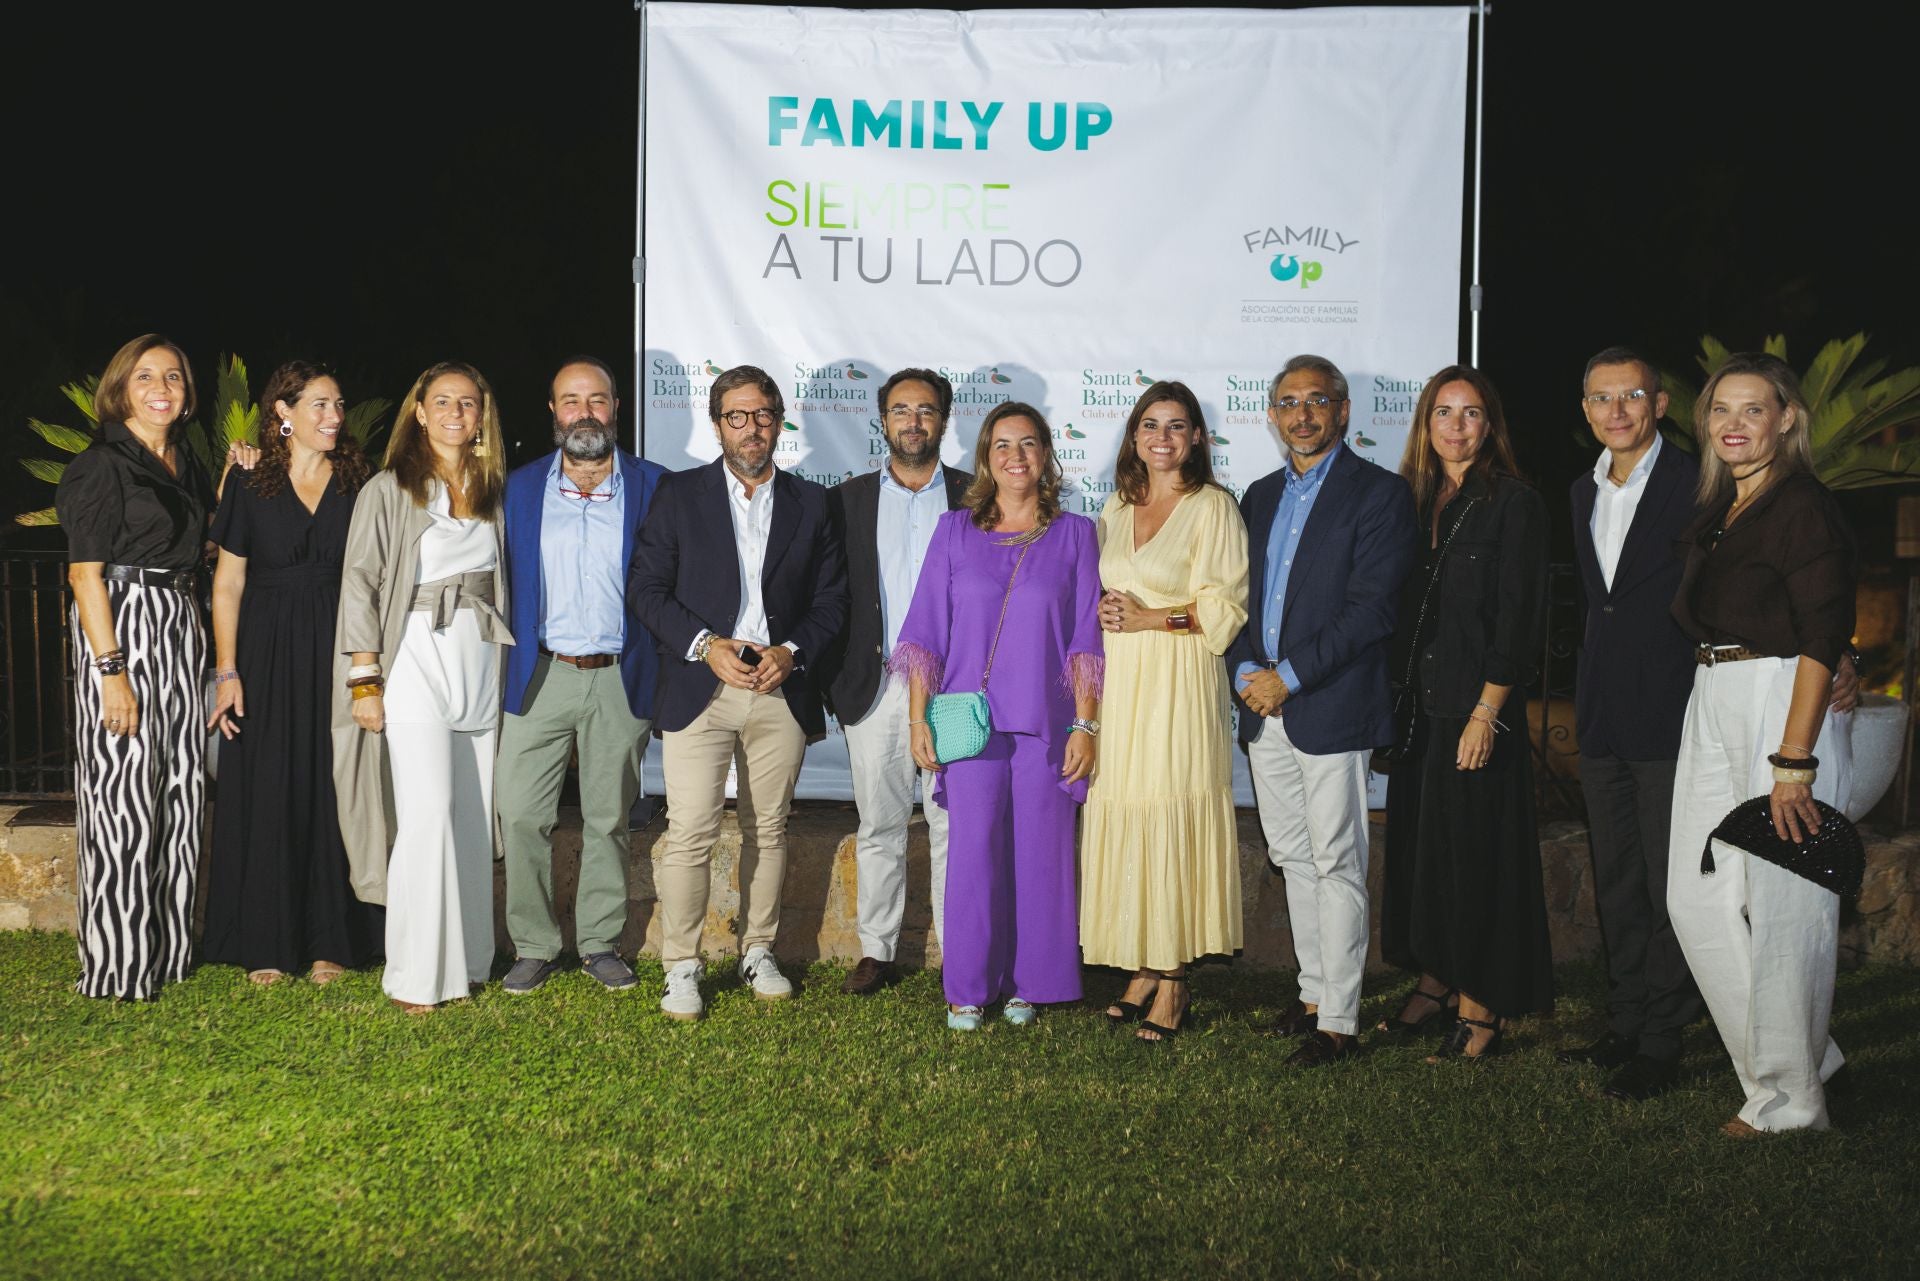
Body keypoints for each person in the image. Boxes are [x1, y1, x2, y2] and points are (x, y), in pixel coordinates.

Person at [1665, 352, 1855, 1136]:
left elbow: (1820, 638)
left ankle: (1790, 1098)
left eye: (1753, 409)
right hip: (1713, 691)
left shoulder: (1804, 505)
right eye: (1720, 410)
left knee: (1785, 904)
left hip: (1780, 698)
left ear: (1786, 419)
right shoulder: (1721, 509)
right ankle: (1798, 1060)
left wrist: (1795, 759)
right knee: (1696, 895)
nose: (1735, 424)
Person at [629, 365, 849, 1021]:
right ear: (717, 423)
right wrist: (707, 645)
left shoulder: (814, 503)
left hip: (778, 687)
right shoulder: (679, 494)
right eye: (737, 416)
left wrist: (791, 652)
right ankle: (682, 965)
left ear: (779, 421)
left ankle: (758, 949)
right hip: (703, 682)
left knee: (769, 829)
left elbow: (831, 600)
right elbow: (646, 589)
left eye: (762, 415)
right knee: (691, 829)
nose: (751, 428)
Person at [1226, 356, 1416, 1065]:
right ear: (1271, 415)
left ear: (1342, 411)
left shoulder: (1380, 494)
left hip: (1329, 704)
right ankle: (1311, 994)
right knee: (1292, 854)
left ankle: (1339, 1019)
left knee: (1336, 859)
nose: (1301, 414)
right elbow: (1237, 595)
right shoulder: (1260, 494)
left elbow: (1371, 611)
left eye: (1316, 401)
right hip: (1261, 706)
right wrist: (1248, 668)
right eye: (1287, 402)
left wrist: (1291, 678)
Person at [895, 401, 1103, 1030]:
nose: (1017, 456)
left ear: (1046, 456)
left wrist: (1085, 726)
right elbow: (926, 631)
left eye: (1029, 444)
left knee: (1042, 859)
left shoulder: (1076, 535)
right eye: (1003, 445)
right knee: (973, 857)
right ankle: (967, 986)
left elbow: (1086, 639)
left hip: (1047, 724)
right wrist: (918, 718)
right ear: (986, 457)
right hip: (968, 724)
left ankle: (1028, 983)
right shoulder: (954, 531)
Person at [1378, 365, 1553, 1059]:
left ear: (1491, 423)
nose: (1456, 425)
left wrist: (1488, 711)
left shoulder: (1515, 504)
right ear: (1425, 424)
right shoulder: (1410, 503)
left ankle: (1482, 1006)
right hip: (1420, 713)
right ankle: (1436, 977)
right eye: (1443, 412)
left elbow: (1518, 622)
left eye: (1471, 412)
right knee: (1425, 856)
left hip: (1477, 713)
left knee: (1477, 858)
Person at [335, 360, 512, 1013]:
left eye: (468, 403)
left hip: (479, 658)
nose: (455, 414)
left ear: (481, 415)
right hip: (413, 658)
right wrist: (364, 679)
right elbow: (361, 581)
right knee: (427, 812)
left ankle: (465, 962)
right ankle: (414, 973)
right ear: (419, 410)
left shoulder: (493, 487)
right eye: (443, 401)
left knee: (470, 816)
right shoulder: (390, 488)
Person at [1080, 381, 1249, 1043]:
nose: (1162, 437)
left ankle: (1174, 982)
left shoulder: (1214, 508)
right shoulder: (1117, 508)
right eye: (1150, 424)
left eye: (1177, 426)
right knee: (1125, 803)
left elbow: (1227, 610)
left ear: (1199, 437)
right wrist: (1099, 610)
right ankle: (1146, 963)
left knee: (1173, 813)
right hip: (1122, 685)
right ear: (1134, 435)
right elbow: (1093, 587)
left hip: (1180, 682)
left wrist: (1152, 615)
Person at [203, 360, 381, 986]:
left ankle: (334, 940)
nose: (334, 417)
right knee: (271, 786)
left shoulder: (360, 482)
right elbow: (227, 583)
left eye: (338, 405)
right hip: (267, 650)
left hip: (341, 647)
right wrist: (227, 672)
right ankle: (267, 942)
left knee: (336, 789)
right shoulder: (250, 486)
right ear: (283, 412)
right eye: (320, 406)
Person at [496, 357, 666, 995]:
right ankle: (534, 945)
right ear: (553, 412)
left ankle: (599, 942)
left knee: (608, 816)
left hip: (620, 675)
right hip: (540, 674)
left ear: (615, 407)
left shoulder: (656, 486)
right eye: (571, 401)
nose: (585, 413)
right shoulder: (517, 488)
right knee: (519, 814)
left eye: (596, 400)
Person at [56, 335, 216, 1000]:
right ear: (121, 387)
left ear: (185, 394)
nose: (162, 387)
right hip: (123, 620)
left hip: (180, 622)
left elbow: (198, 544)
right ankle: (118, 966)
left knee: (181, 791)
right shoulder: (102, 464)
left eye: (173, 376)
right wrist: (111, 669)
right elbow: (83, 573)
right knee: (122, 800)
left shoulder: (184, 463)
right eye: (146, 376)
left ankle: (168, 952)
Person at [818, 368, 971, 994]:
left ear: (944, 419)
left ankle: (957, 948)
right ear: (882, 421)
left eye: (926, 410)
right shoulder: (846, 500)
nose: (913, 421)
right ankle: (877, 949)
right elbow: (829, 596)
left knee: (952, 825)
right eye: (901, 410)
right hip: (876, 689)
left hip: (954, 690)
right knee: (879, 824)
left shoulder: (974, 495)